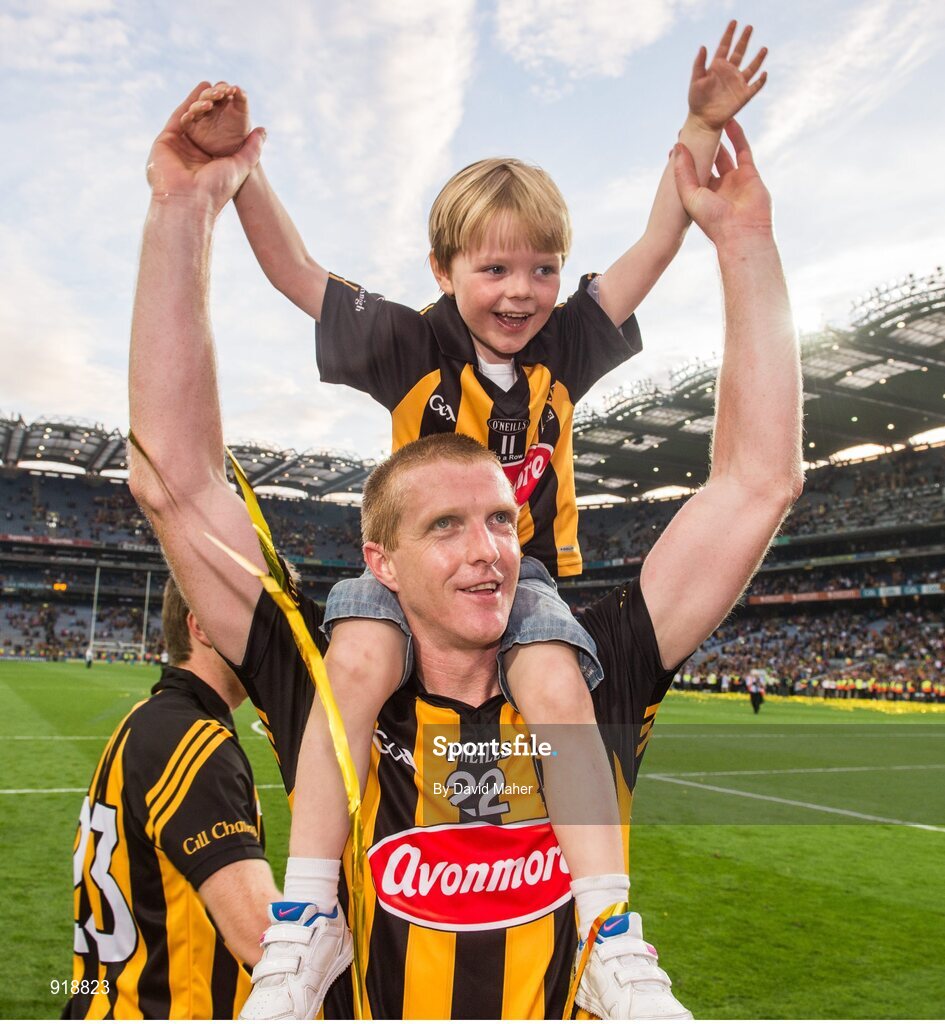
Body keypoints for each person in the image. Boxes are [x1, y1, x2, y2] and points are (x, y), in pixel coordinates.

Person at [127, 76, 800, 1019]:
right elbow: (175, 478)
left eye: (499, 516)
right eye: (442, 524)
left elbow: (758, 482)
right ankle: (304, 920)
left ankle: (613, 942)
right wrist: (188, 203)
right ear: (379, 556)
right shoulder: (329, 679)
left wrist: (742, 240)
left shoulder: (594, 663)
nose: (488, 547)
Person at [66, 578, 280, 1019]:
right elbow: (260, 934)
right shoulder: (193, 744)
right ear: (202, 625)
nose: (276, 638)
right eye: (261, 620)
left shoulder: (146, 722)